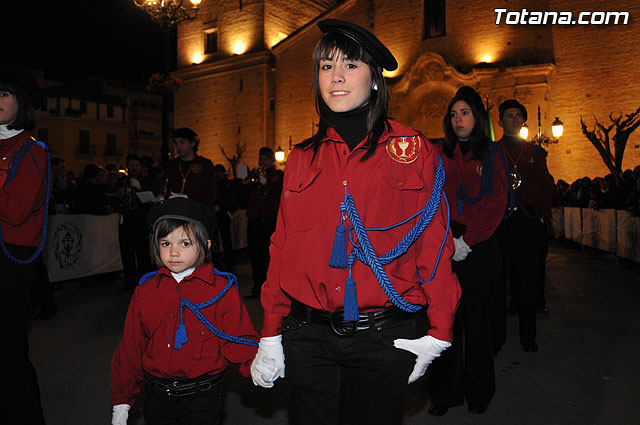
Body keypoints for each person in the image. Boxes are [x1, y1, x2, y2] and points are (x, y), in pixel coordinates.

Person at [249, 19, 461, 425]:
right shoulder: (299, 158)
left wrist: (440, 330)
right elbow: (282, 248)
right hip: (307, 335)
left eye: (351, 65)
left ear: (376, 79)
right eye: (326, 67)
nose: (337, 77)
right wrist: (271, 332)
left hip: (383, 335)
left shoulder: (414, 149)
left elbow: (434, 249)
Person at [110, 197, 259, 425]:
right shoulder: (146, 291)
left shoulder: (221, 290)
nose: (173, 253)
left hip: (202, 397)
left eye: (185, 243)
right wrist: (122, 400)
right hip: (156, 395)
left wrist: (256, 366)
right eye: (165, 243)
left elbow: (238, 338)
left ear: (206, 245)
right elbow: (131, 347)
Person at [426, 86, 509, 416]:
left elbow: (496, 203)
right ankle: (445, 394)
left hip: (481, 246)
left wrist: (468, 241)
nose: (458, 119)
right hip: (445, 244)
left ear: (477, 117)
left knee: (476, 322)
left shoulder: (490, 155)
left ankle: (479, 393)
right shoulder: (441, 154)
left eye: (465, 112)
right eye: (453, 114)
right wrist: (446, 242)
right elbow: (431, 200)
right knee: (443, 322)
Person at [0, 60, 50, 425]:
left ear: (22, 103)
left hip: (10, 260)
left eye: (4, 94)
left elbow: (16, 212)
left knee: (9, 351)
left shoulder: (33, 152)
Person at [494, 99, 554, 353]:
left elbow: (546, 186)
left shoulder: (536, 153)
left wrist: (542, 217)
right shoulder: (492, 152)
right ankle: (496, 337)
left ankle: (528, 336)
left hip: (528, 222)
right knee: (498, 280)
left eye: (519, 115)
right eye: (509, 115)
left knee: (528, 280)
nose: (515, 119)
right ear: (500, 121)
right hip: (501, 222)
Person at [240, 147, 284, 299]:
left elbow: (279, 197)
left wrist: (266, 184)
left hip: (269, 222)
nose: (262, 162)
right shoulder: (255, 176)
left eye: (265, 159)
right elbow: (244, 197)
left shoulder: (278, 176)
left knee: (270, 257)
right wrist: (246, 182)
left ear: (272, 161)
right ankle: (257, 287)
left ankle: (272, 289)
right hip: (254, 221)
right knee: (255, 256)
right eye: (260, 159)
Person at [117, 154, 154, 291]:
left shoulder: (146, 181)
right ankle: (130, 283)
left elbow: (152, 198)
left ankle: (145, 284)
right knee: (127, 257)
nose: (133, 168)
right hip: (126, 225)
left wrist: (140, 188)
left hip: (140, 224)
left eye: (136, 165)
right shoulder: (121, 182)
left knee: (143, 256)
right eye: (131, 165)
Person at [157, 127, 217, 206]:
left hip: (197, 209)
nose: (178, 146)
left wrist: (186, 197)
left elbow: (210, 194)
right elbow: (163, 186)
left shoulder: (205, 164)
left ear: (192, 143)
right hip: (174, 208)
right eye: (176, 143)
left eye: (182, 142)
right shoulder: (172, 165)